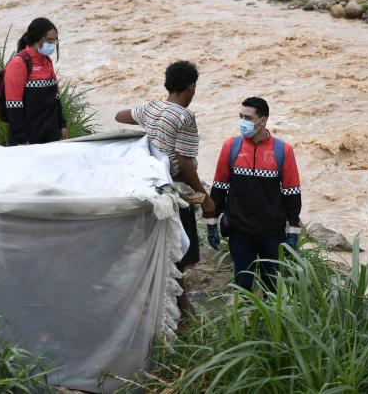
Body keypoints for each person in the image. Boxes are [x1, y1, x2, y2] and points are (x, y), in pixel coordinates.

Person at [114, 60, 215, 317]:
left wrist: (150, 126)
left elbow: (119, 116)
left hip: (151, 188)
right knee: (177, 251)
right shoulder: (184, 116)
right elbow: (184, 162)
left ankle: (160, 300)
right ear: (191, 86)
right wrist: (204, 197)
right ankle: (183, 313)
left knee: (162, 247)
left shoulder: (152, 107)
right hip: (174, 192)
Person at [205, 97, 302, 293]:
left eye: (248, 118)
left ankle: (271, 323)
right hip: (240, 232)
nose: (243, 122)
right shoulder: (231, 147)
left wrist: (293, 232)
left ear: (263, 121)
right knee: (242, 285)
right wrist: (212, 224)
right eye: (241, 116)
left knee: (273, 288)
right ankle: (243, 322)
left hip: (272, 233)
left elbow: (292, 192)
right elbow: (219, 187)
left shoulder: (283, 150)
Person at [5, 17, 68, 146]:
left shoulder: (47, 61)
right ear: (37, 39)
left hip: (51, 136)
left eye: (54, 41)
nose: (52, 45)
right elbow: (13, 105)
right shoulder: (19, 63)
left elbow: (55, 98)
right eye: (48, 40)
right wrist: (22, 139)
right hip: (29, 139)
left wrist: (62, 125)